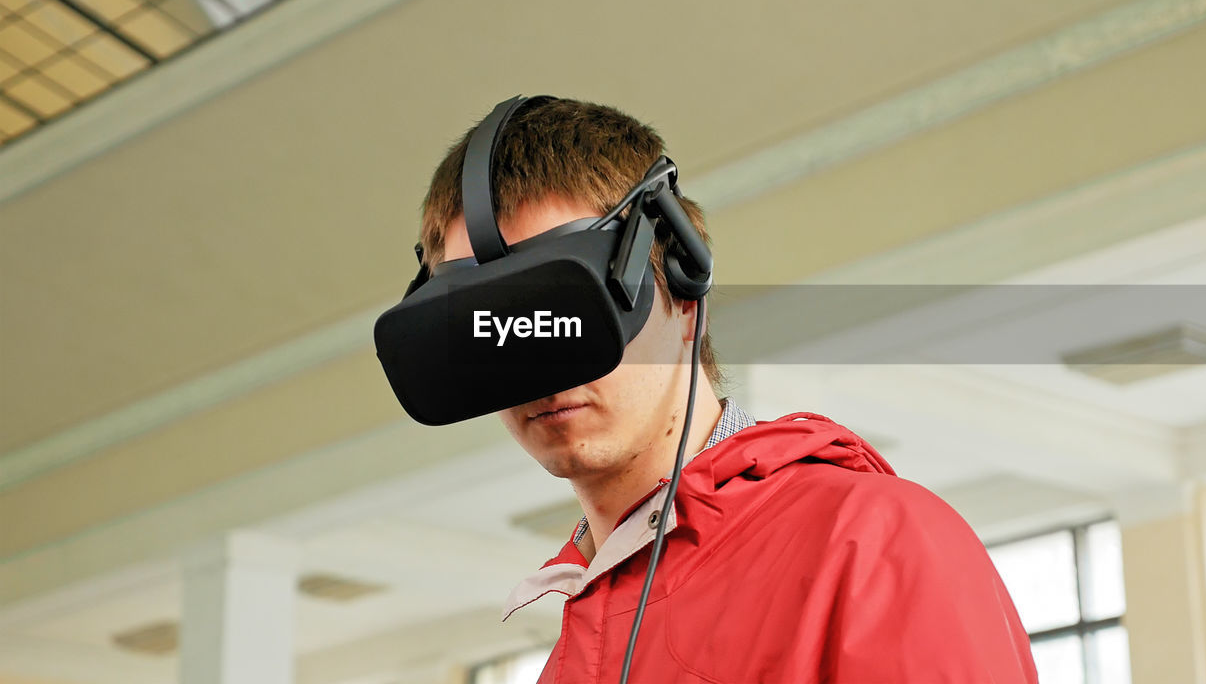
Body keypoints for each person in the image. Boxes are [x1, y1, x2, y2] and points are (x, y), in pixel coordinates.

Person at [415, 96, 1038, 683]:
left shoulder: (873, 543)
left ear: (683, 289)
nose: (537, 353)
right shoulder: (575, 650)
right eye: (487, 323)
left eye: (567, 303)